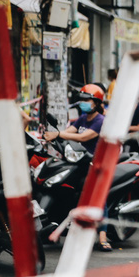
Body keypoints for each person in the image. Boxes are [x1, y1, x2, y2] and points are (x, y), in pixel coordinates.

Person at [43, 84, 112, 251]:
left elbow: (82, 137)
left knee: (97, 195)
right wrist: (52, 137)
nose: (83, 103)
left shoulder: (100, 121)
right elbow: (70, 132)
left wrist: (58, 134)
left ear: (96, 102)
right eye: (81, 100)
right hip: (77, 162)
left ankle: (103, 236)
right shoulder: (82, 118)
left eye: (87, 100)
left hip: (94, 165)